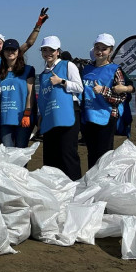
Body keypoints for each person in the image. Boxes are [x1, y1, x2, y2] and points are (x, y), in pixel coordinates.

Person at [81, 34, 132, 169]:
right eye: (97, 47)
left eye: (104, 48)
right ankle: (92, 183)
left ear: (110, 51)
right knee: (91, 153)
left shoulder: (115, 70)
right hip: (88, 116)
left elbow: (121, 98)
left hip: (107, 116)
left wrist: (104, 91)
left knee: (104, 155)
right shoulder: (86, 69)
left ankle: (103, 184)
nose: (99, 51)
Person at [38, 36, 83, 181]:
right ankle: (55, 189)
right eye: (44, 50)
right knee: (51, 156)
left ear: (57, 51)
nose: (47, 53)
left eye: (51, 50)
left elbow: (79, 87)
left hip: (68, 114)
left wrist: (62, 81)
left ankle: (75, 186)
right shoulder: (43, 73)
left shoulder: (67, 65)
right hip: (50, 118)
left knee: (67, 154)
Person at [0, 38, 35, 148]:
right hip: (4, 119)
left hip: (22, 118)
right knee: (7, 153)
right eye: (7, 50)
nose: (10, 52)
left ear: (18, 52)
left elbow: (30, 93)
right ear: (3, 52)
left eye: (13, 50)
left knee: (21, 153)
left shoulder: (28, 70)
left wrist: (27, 113)